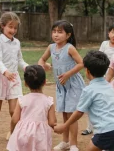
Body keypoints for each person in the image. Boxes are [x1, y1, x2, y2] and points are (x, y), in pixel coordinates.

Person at [54, 50, 114, 151]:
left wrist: (64, 126)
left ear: (87, 71)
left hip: (106, 130)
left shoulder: (88, 90)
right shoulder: (109, 86)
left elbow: (79, 112)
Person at [0, 12, 29, 146]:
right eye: (10, 27)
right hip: (0, 78)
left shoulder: (17, 43)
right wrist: (5, 71)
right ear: (3, 26)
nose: (13, 30)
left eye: (15, 28)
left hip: (14, 79)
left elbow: (20, 60)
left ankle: (12, 132)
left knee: (14, 111)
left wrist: (27, 68)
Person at [38, 20, 85, 151]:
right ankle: (65, 142)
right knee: (64, 114)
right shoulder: (51, 47)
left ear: (68, 35)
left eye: (60, 32)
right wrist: (44, 65)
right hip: (61, 86)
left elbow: (81, 63)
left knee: (71, 115)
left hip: (72, 85)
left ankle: (74, 144)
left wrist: (67, 74)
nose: (56, 35)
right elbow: (42, 59)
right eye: (54, 31)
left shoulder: (70, 48)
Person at [82, 22, 114, 136]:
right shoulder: (104, 44)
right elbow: (98, 58)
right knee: (93, 102)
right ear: (108, 33)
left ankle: (110, 126)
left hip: (112, 79)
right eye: (112, 32)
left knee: (108, 104)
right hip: (99, 77)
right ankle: (89, 127)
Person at [6, 65, 56, 151]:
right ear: (44, 82)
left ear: (25, 83)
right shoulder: (48, 101)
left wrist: (12, 131)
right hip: (40, 135)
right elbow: (52, 122)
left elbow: (14, 120)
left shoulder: (22, 100)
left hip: (23, 133)